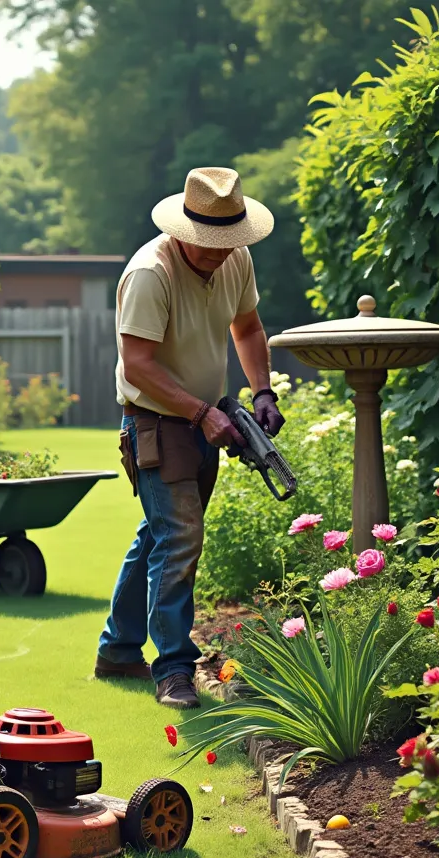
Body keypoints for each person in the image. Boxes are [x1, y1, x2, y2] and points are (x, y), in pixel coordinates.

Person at [94, 166, 285, 709]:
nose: (220, 253)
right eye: (210, 242)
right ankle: (174, 668)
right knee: (179, 538)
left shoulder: (235, 259)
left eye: (229, 242)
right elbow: (138, 364)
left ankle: (117, 650)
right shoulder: (149, 273)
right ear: (183, 230)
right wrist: (200, 413)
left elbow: (247, 327)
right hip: (156, 422)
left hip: (207, 420)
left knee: (160, 536)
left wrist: (263, 391)